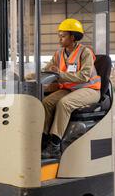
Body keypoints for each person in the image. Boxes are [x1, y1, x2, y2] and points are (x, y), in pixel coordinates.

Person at [41, 19, 102, 159]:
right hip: (70, 89)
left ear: (73, 37)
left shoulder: (84, 52)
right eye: (59, 35)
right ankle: (43, 139)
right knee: (47, 102)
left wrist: (60, 74)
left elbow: (84, 76)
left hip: (90, 89)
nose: (60, 39)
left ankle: (54, 146)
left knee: (65, 103)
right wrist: (29, 76)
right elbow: (47, 70)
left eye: (63, 36)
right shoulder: (59, 53)